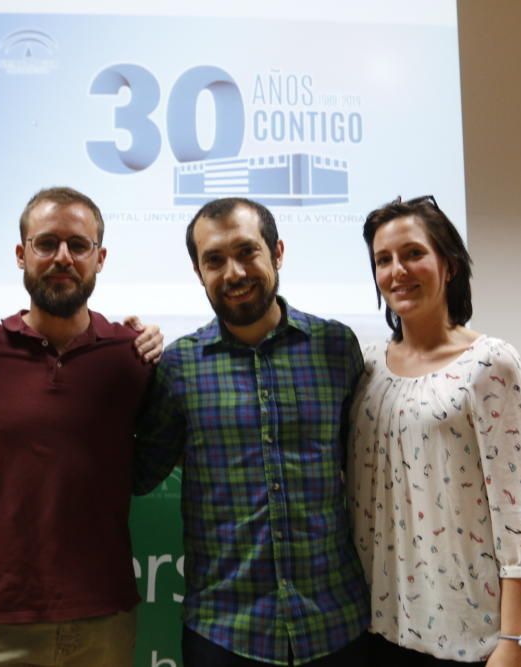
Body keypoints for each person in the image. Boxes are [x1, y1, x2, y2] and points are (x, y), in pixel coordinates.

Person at [134, 197, 371, 666]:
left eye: (247, 252)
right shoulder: (179, 367)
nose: (234, 272)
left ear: (277, 252)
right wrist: (114, 360)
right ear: (198, 272)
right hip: (224, 633)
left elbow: (367, 471)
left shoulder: (336, 348)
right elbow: (137, 475)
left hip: (336, 627)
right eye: (214, 260)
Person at [0, 187, 157, 667]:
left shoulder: (133, 357)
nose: (63, 257)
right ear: (22, 254)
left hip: (103, 617)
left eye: (78, 246)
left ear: (100, 258)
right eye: (46, 244)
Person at [348, 195, 521, 666]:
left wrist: (514, 641)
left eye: (413, 253)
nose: (397, 270)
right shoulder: (368, 366)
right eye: (383, 260)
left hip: (472, 640)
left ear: (449, 265)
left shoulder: (490, 364)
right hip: (378, 629)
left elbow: (520, 511)